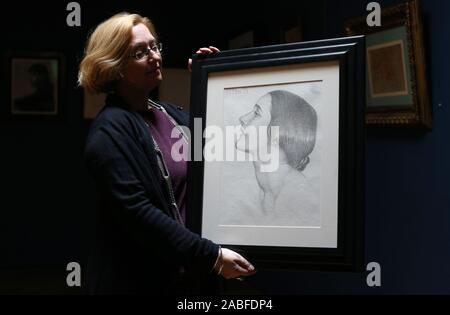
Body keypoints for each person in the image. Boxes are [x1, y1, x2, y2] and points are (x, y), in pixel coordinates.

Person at [79, 12, 256, 294]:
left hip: (190, 279)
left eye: (154, 46)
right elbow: (138, 214)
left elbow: (223, 150)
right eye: (139, 52)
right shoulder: (109, 130)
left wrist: (210, 80)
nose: (154, 56)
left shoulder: (171, 115)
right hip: (139, 283)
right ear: (115, 66)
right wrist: (211, 256)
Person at [235, 90, 319, 226]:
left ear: (278, 131)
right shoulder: (265, 191)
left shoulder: (296, 196)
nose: (243, 118)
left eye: (257, 113)